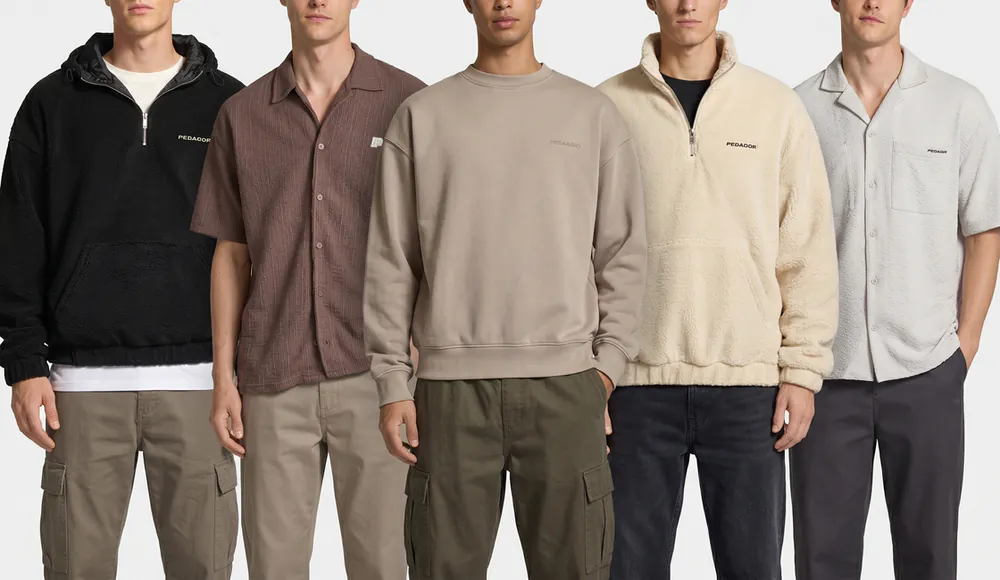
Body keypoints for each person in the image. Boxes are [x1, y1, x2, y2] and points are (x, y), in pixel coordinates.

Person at [364, 0, 647, 577]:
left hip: (567, 386)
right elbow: (391, 260)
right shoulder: (422, 115)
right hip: (449, 393)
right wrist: (392, 383)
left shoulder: (591, 114)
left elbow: (624, 252)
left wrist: (606, 368)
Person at [0, 1, 244, 578]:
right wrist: (25, 364)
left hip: (202, 387)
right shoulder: (51, 102)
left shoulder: (230, 103)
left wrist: (245, 371)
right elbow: (17, 240)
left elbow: (254, 244)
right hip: (79, 389)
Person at [597, 1, 840, 578]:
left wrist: (803, 371)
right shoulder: (605, 106)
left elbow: (805, 246)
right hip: (633, 387)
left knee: (753, 569)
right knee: (624, 570)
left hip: (748, 390)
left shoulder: (774, 106)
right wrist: (590, 377)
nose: (688, 5)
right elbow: (579, 252)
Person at [189, 0, 425, 578]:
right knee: (273, 568)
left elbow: (435, 243)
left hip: (380, 379)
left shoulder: (409, 102)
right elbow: (231, 255)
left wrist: (419, 357)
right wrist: (223, 378)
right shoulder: (241, 114)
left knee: (384, 565)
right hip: (272, 379)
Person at [791, 1, 1000, 579]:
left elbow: (984, 230)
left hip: (928, 372)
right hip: (825, 381)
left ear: (909, 3)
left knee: (930, 558)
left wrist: (964, 347)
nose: (872, 3)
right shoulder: (797, 110)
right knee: (822, 561)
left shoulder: (959, 106)